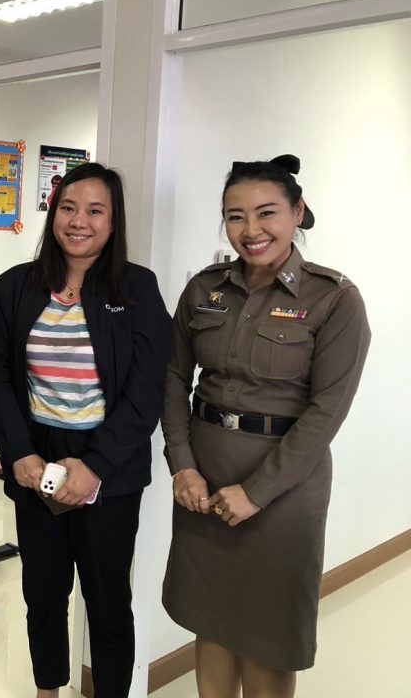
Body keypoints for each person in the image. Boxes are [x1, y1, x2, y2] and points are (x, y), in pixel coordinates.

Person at [161, 156, 370, 698]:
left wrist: (257, 491)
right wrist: (182, 465)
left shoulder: (334, 298)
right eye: (236, 216)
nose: (251, 230)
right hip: (203, 482)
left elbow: (326, 412)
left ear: (298, 212)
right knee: (211, 620)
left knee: (268, 635)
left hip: (284, 492)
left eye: (267, 212)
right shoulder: (204, 289)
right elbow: (173, 377)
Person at [0, 162, 172, 698]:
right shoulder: (15, 285)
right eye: (68, 208)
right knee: (42, 593)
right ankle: (47, 690)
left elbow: (147, 389)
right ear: (54, 212)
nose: (79, 221)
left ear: (114, 221)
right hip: (35, 458)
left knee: (108, 600)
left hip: (109, 463)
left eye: (95, 211)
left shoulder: (137, 288)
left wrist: (96, 466)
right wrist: (19, 452)